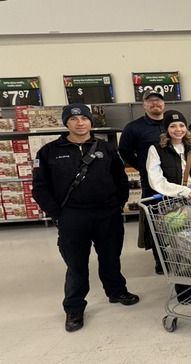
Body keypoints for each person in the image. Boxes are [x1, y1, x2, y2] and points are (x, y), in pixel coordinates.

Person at [32, 104, 139, 333]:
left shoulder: (107, 149)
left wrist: (117, 204)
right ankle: (74, 307)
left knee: (111, 257)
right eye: (74, 119)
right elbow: (40, 188)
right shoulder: (48, 152)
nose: (80, 123)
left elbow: (120, 179)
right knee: (76, 264)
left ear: (91, 121)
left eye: (84, 118)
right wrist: (58, 214)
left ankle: (116, 291)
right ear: (66, 123)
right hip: (72, 216)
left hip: (107, 214)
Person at [146, 110, 191, 303]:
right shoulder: (156, 149)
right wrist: (183, 191)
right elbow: (156, 179)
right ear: (166, 129)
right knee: (179, 247)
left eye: (182, 125)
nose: (178, 129)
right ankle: (185, 290)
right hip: (172, 205)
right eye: (173, 126)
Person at [118, 89, 166, 274]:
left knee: (180, 219)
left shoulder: (172, 122)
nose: (155, 103)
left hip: (176, 181)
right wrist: (142, 167)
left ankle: (180, 255)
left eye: (158, 100)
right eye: (150, 100)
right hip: (151, 184)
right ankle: (160, 259)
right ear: (144, 104)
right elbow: (125, 151)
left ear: (164, 104)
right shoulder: (134, 127)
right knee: (154, 222)